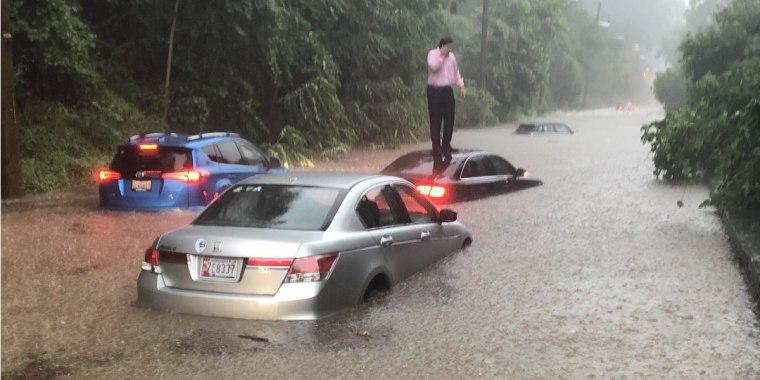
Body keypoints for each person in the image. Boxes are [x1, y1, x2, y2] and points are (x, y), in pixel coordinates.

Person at [427, 37, 466, 161]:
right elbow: (434, 67)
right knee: (435, 120)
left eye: (451, 47)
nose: (450, 50)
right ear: (442, 46)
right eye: (448, 47)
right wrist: (442, 57)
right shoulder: (432, 54)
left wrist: (461, 85)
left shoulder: (452, 57)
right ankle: (436, 147)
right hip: (434, 90)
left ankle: (446, 145)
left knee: (449, 119)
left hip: (447, 90)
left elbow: (455, 72)